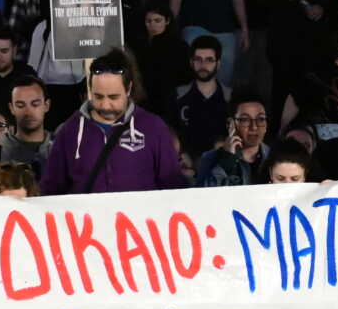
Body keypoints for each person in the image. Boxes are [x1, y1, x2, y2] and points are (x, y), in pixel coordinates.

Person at [40, 56, 187, 195]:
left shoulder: (153, 128)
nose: (105, 105)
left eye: (113, 97)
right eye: (98, 96)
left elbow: (172, 186)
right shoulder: (69, 131)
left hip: (139, 220)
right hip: (88, 220)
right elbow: (51, 189)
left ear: (128, 89)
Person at [170, 37, 231, 159]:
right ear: (191, 62)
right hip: (185, 165)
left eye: (209, 60)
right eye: (198, 59)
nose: (203, 65)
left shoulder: (230, 98)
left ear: (218, 64)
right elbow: (169, 131)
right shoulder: (177, 95)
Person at [196, 97, 273, 188]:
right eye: (245, 120)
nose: (254, 127)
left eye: (260, 119)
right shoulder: (210, 158)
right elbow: (203, 197)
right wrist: (226, 162)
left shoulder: (275, 156)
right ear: (230, 124)